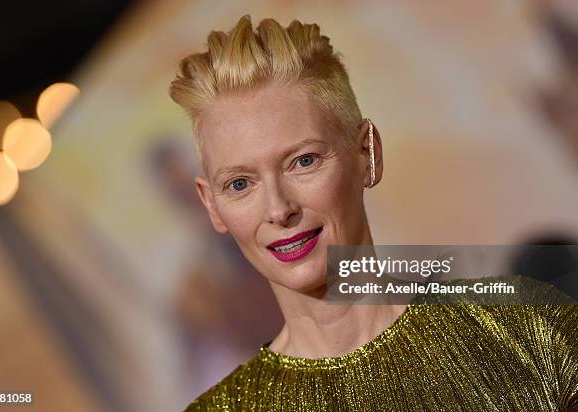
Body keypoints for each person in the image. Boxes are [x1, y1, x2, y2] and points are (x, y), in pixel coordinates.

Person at [169, 15, 578, 411]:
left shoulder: (529, 338)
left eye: (304, 161)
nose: (278, 209)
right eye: (240, 184)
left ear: (366, 152)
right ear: (212, 205)